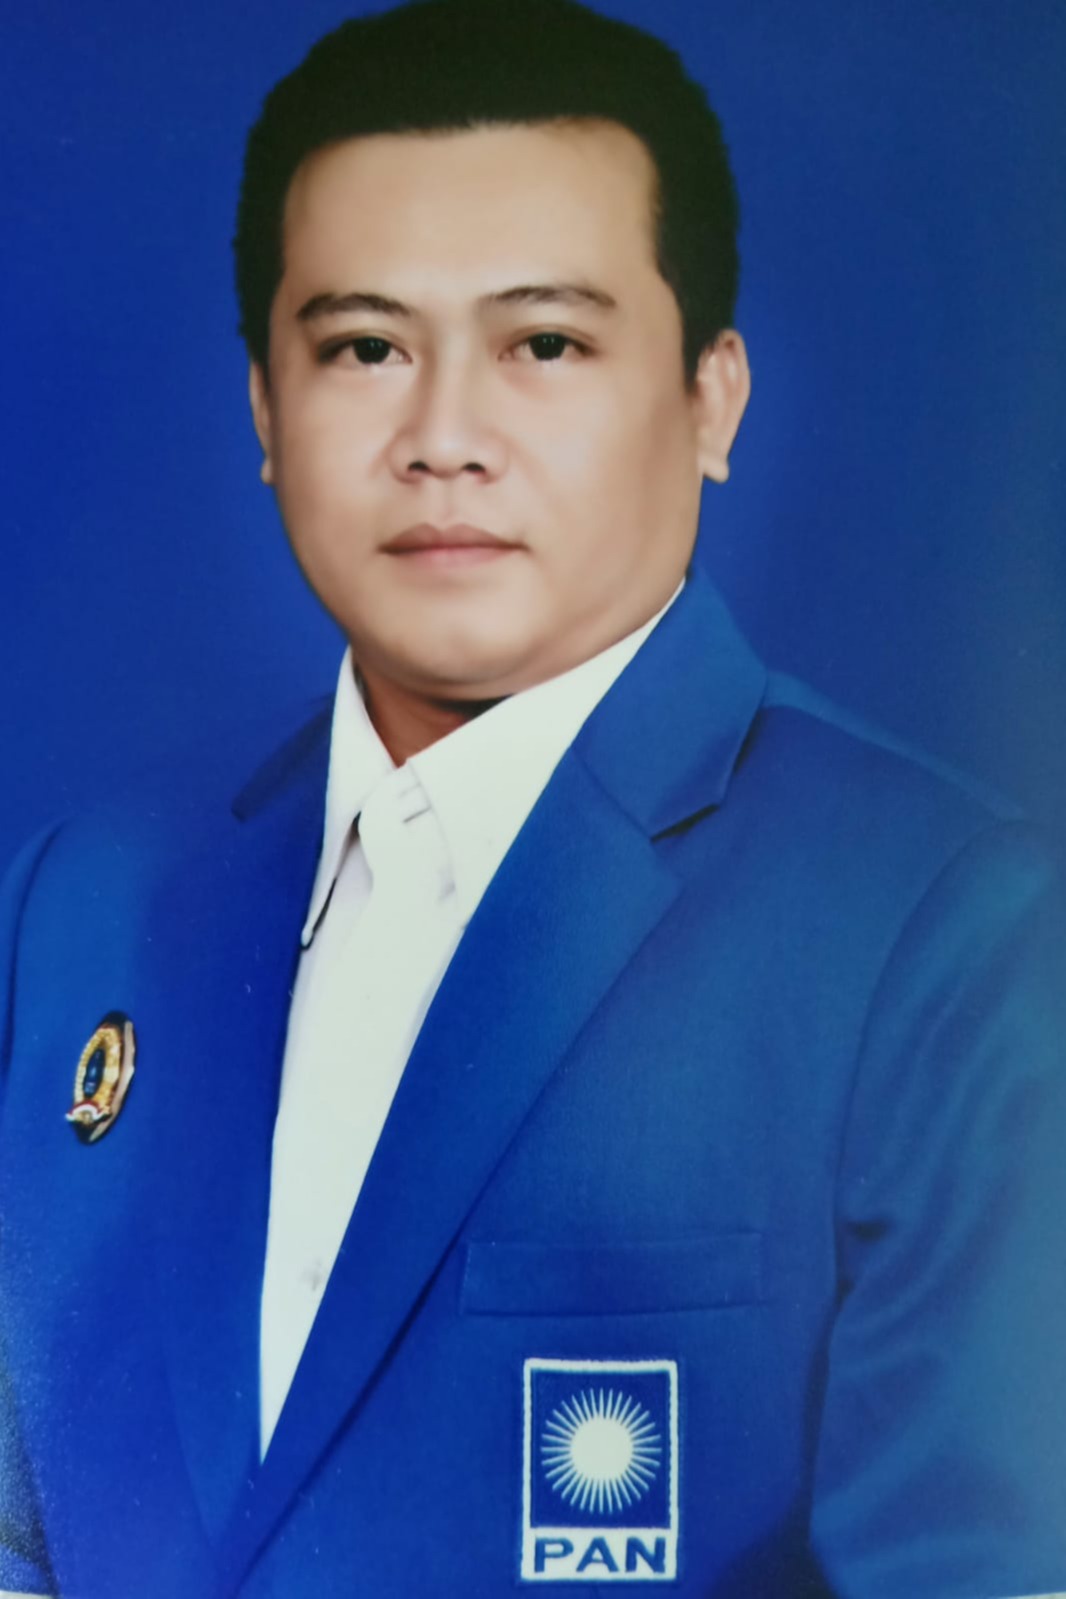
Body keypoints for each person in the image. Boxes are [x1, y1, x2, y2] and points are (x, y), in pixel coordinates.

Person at [1, 1, 1065, 1594]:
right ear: (265, 412)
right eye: (363, 348)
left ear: (710, 401)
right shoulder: (81, 903)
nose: (443, 440)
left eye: (543, 346)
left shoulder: (949, 929)